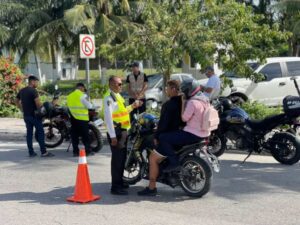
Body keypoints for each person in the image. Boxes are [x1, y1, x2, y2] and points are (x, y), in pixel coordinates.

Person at [138, 79, 210, 196]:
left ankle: (152, 188)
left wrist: (157, 135)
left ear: (173, 89)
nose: (166, 90)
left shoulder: (169, 104)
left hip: (181, 136)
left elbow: (164, 124)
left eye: (167, 88)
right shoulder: (188, 101)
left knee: (153, 158)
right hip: (196, 134)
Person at [104, 75, 142, 195]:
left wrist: (133, 106)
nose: (121, 86)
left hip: (123, 131)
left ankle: (120, 182)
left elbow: (122, 112)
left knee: (121, 159)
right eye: (118, 84)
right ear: (111, 84)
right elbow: (109, 118)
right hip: (117, 132)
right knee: (117, 160)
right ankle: (115, 187)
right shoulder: (109, 97)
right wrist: (113, 136)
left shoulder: (117, 95)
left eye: (121, 84)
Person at [16, 75, 54, 157]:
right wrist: (42, 111)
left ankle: (31, 152)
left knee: (29, 134)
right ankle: (44, 152)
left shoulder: (22, 90)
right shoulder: (33, 91)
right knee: (40, 133)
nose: (37, 84)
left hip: (26, 116)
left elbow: (16, 101)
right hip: (35, 116)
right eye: (36, 82)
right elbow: (38, 103)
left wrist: (22, 109)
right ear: (32, 81)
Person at [67, 83, 93, 157]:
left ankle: (75, 152)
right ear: (81, 88)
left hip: (73, 118)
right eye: (84, 89)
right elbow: (89, 106)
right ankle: (88, 151)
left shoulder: (69, 96)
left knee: (74, 136)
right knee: (85, 136)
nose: (84, 91)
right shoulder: (81, 95)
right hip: (82, 119)